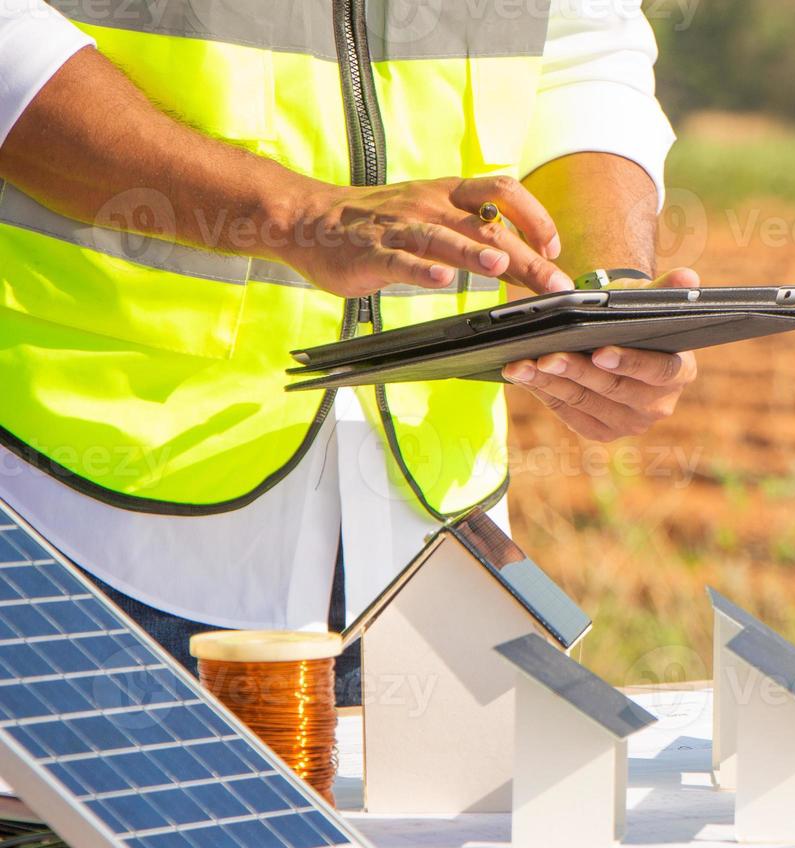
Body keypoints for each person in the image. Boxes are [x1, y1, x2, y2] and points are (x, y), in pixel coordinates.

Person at [0, 0, 698, 702]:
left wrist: (608, 296)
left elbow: (584, 48)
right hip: (72, 522)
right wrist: (294, 214)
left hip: (429, 545)